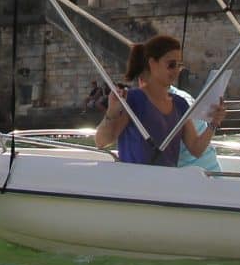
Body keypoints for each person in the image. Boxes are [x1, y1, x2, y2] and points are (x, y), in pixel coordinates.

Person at [94, 33, 223, 166]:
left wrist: (213, 124)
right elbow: (101, 141)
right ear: (153, 63)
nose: (176, 71)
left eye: (179, 65)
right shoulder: (133, 99)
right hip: (134, 182)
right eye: (171, 65)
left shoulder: (180, 103)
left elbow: (196, 149)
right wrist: (112, 112)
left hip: (166, 183)